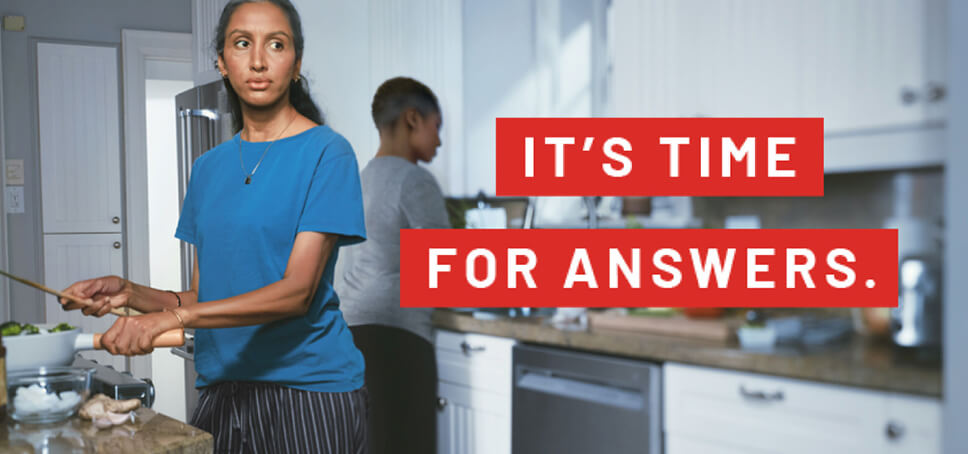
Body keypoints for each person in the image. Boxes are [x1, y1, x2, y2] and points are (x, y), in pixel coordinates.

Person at [59, 1, 368, 452]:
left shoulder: (327, 152)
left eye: (276, 45)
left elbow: (297, 292)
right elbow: (207, 297)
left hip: (309, 392)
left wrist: (172, 317)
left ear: (296, 63)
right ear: (222, 61)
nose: (258, 61)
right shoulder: (207, 168)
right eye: (242, 43)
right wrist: (132, 295)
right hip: (222, 392)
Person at [337, 77, 450, 454]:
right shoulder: (415, 180)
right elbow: (444, 269)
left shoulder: (360, 179)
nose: (439, 140)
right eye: (437, 126)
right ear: (413, 119)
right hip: (397, 339)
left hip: (351, 335)